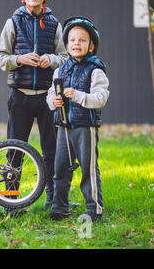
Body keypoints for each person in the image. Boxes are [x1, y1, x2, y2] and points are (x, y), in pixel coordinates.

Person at [0, 0, 68, 211]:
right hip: (20, 97)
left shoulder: (54, 23)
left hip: (48, 97)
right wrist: (20, 59)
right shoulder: (13, 22)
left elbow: (65, 56)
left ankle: (53, 197)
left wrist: (52, 60)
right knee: (15, 149)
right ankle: (11, 199)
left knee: (51, 149)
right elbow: (1, 58)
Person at [47, 16, 109, 221]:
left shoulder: (95, 70)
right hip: (63, 126)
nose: (76, 43)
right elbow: (50, 93)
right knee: (60, 168)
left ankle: (94, 210)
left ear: (91, 46)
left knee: (88, 169)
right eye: (72, 40)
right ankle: (59, 206)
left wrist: (78, 96)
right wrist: (53, 101)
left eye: (82, 40)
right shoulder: (60, 69)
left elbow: (100, 98)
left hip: (85, 126)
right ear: (66, 45)